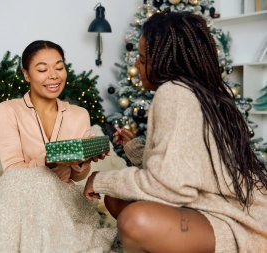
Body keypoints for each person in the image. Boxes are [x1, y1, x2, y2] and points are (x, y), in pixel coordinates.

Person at [84, 10, 267, 253]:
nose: (137, 65)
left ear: (164, 59)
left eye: (142, 58)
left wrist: (100, 179)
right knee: (116, 199)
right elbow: (191, 166)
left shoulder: (174, 92)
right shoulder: (202, 91)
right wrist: (136, 150)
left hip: (237, 222)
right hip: (222, 208)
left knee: (135, 220)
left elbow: (170, 186)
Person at [0, 40, 116, 253]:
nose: (54, 75)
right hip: (22, 197)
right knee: (11, 181)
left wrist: (82, 161)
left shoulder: (79, 114)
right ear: (26, 74)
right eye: (42, 69)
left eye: (59, 67)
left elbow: (77, 178)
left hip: (64, 199)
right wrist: (49, 162)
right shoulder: (7, 111)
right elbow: (12, 171)